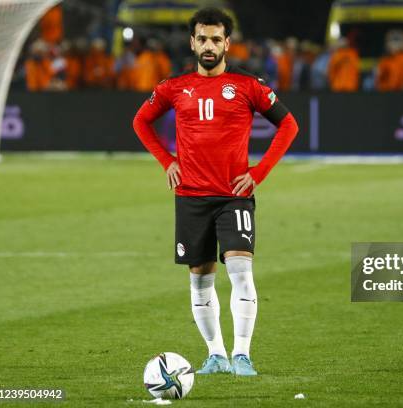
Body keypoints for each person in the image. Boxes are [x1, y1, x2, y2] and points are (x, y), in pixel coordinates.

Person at [132, 7, 299, 376]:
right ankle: (216, 354)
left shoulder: (247, 86)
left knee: (240, 269)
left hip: (233, 195)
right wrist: (167, 160)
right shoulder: (174, 88)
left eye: (216, 39)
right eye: (203, 39)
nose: (209, 46)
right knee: (201, 277)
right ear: (193, 42)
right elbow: (141, 121)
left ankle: (242, 355)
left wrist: (259, 173)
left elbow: (288, 125)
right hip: (191, 196)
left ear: (228, 43)